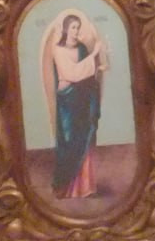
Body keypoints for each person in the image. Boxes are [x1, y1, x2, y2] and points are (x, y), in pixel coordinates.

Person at [50, 14, 106, 199]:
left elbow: (87, 73)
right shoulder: (58, 50)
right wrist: (94, 54)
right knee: (69, 140)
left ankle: (84, 188)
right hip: (67, 101)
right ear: (66, 29)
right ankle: (67, 188)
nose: (76, 31)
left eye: (78, 27)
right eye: (73, 27)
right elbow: (71, 73)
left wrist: (97, 69)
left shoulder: (81, 48)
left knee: (84, 138)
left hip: (82, 99)